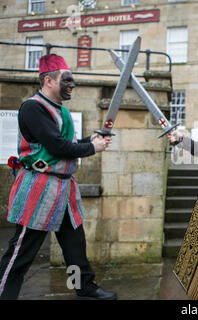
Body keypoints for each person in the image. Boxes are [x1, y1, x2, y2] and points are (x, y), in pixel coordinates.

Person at [0, 54, 117, 300]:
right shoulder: (32, 107)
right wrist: (92, 148)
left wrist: (90, 140)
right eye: (67, 80)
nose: (72, 85)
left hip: (64, 191)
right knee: (22, 252)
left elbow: (68, 143)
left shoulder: (60, 111)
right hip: (39, 188)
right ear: (49, 81)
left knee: (75, 249)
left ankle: (84, 288)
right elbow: (56, 147)